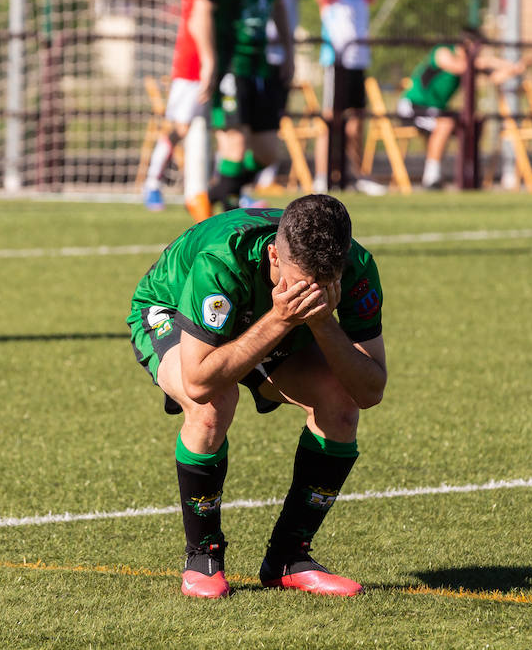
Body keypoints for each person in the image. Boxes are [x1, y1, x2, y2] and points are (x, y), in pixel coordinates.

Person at [128, 195, 386, 599]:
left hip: (267, 321)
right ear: (274, 257)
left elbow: (370, 390)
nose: (313, 295)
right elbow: (198, 380)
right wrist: (282, 318)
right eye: (303, 286)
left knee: (341, 404)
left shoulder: (356, 267)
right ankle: (203, 556)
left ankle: (288, 559)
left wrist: (321, 323)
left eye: (325, 287)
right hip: (172, 311)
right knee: (213, 403)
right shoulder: (221, 260)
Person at [189, 0, 293, 219]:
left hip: (259, 66)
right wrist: (209, 61)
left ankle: (209, 197)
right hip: (231, 65)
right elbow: (199, 13)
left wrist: (289, 51)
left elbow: (278, 6)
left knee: (267, 153)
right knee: (233, 146)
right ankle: (225, 219)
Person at [143, 0, 240, 213]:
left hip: (225, 63)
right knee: (181, 126)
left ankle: (228, 191)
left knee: (229, 128)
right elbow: (200, 19)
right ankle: (152, 183)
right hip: (192, 63)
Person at [396, 29, 526, 189]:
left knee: (474, 122)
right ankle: (431, 178)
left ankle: (470, 172)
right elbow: (458, 67)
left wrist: (515, 68)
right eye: (478, 50)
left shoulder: (470, 63)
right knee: (446, 123)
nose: (479, 55)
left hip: (436, 111)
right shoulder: (443, 52)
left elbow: (495, 77)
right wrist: (488, 61)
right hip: (412, 107)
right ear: (468, 45)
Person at [314, 0, 393, 194]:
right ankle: (321, 175)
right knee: (330, 121)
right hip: (337, 64)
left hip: (358, 64)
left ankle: (357, 175)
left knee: (356, 122)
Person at [254, 0, 317, 194]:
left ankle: (265, 178)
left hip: (282, 55)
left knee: (275, 117)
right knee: (248, 119)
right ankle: (234, 176)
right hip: (258, 53)